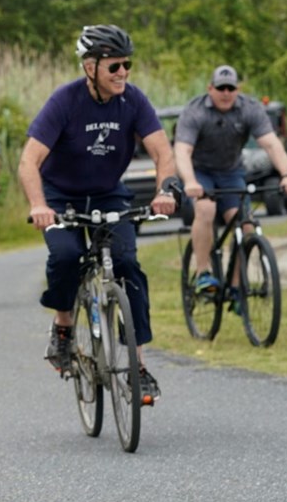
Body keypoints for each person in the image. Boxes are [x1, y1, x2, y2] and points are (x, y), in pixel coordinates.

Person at [17, 24, 177, 404]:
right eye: (114, 66)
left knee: (128, 265)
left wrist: (165, 190)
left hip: (108, 194)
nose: (122, 73)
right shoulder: (65, 101)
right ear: (91, 67)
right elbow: (28, 161)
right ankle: (63, 327)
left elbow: (162, 152)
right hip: (60, 197)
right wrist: (39, 205)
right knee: (66, 256)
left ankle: (137, 365)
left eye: (127, 65)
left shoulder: (134, 101)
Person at [175, 64, 287, 310]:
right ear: (210, 88)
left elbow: (272, 144)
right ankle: (203, 273)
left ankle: (235, 288)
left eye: (230, 88)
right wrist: (190, 182)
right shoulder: (195, 111)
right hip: (199, 171)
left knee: (246, 225)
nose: (225, 93)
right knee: (206, 210)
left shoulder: (249, 109)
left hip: (231, 172)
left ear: (237, 89)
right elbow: (182, 150)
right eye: (220, 88)